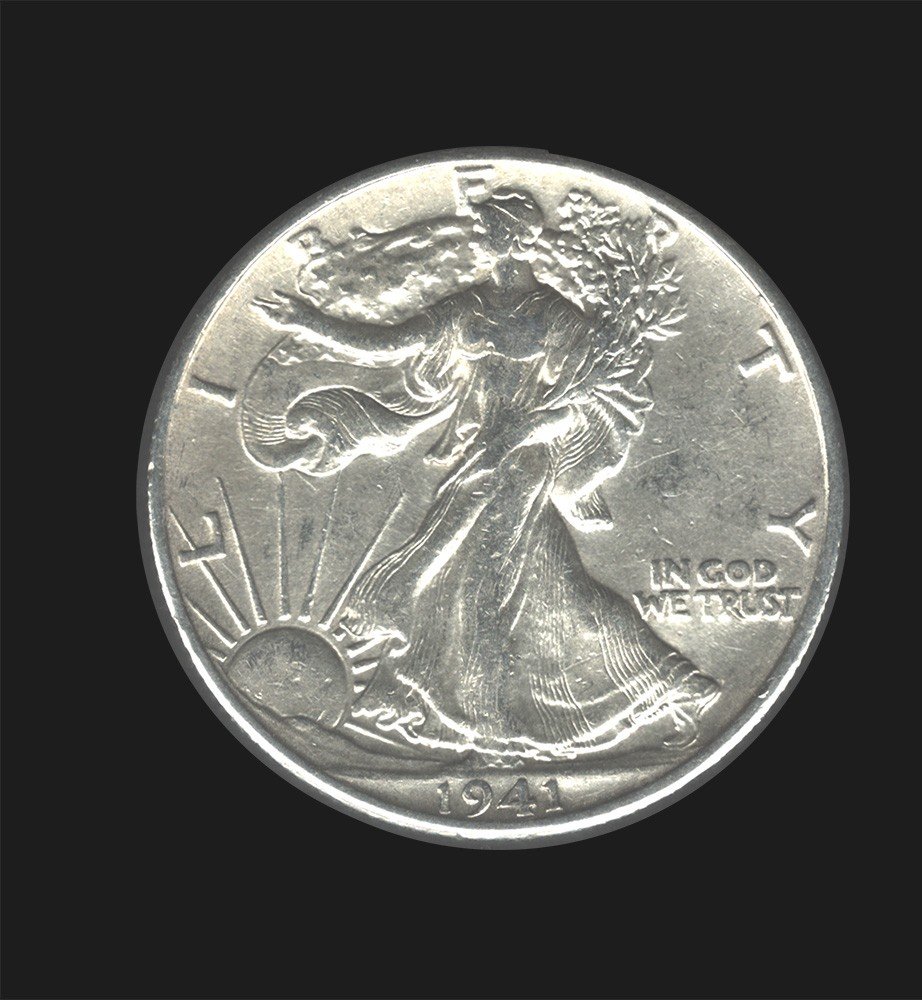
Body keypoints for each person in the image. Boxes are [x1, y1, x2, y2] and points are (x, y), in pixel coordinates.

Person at [243, 188, 719, 761]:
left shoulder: (557, 317)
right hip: (480, 456)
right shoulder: (466, 307)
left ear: (517, 237)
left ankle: (508, 715)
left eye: (493, 226)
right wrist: (311, 323)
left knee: (475, 583)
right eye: (486, 225)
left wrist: (519, 435)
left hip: (522, 461)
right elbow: (390, 344)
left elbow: (579, 406)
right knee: (524, 589)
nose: (485, 235)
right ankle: (640, 691)